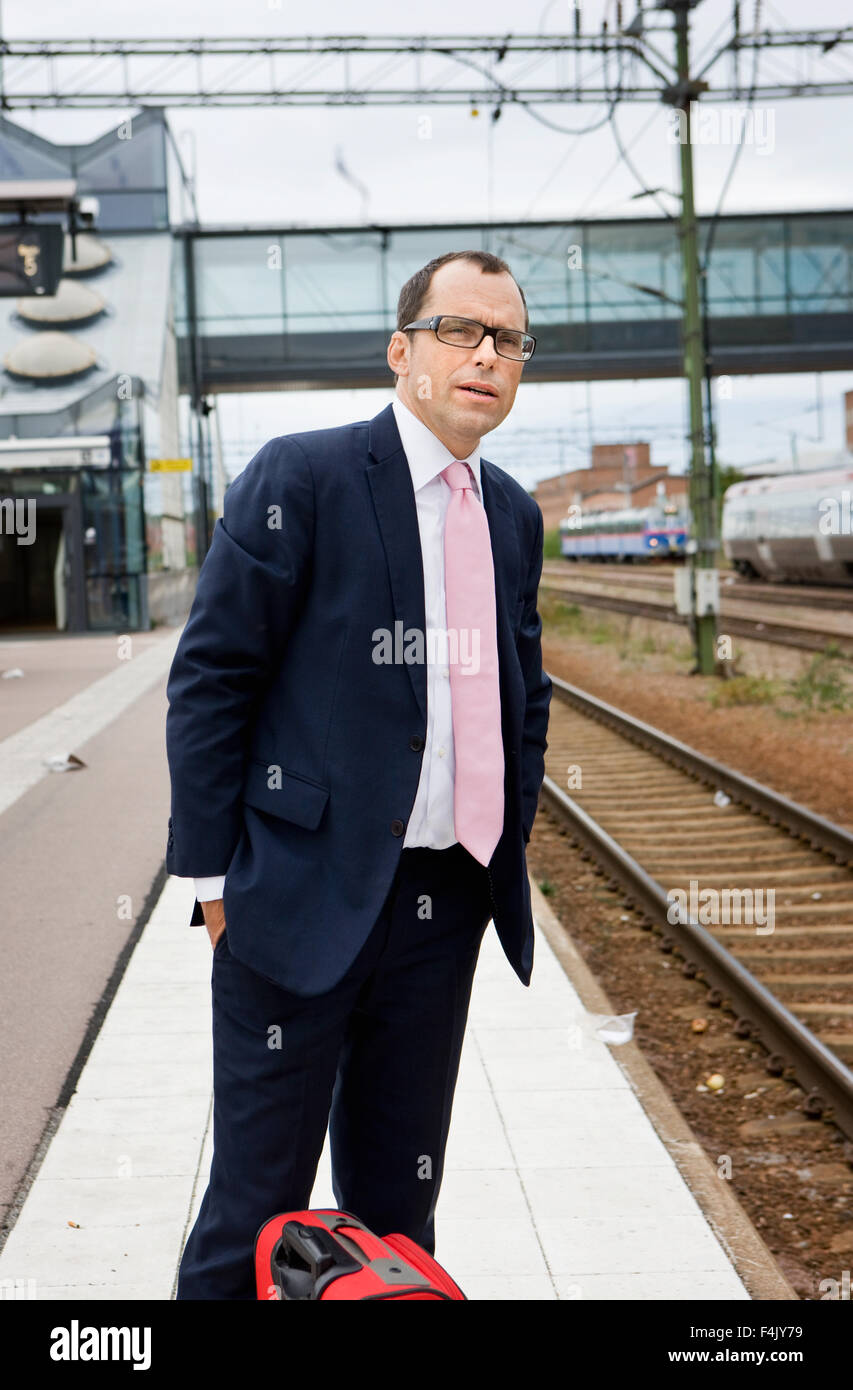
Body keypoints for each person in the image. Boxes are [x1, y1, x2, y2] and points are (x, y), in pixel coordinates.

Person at [165, 249, 552, 1299]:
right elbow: (212, 679)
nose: (485, 355)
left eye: (506, 340)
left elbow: (524, 694)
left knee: (395, 1214)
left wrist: (499, 843)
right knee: (254, 1213)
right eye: (459, 331)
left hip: (441, 906)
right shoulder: (304, 478)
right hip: (294, 895)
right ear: (401, 350)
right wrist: (211, 881)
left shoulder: (513, 513)